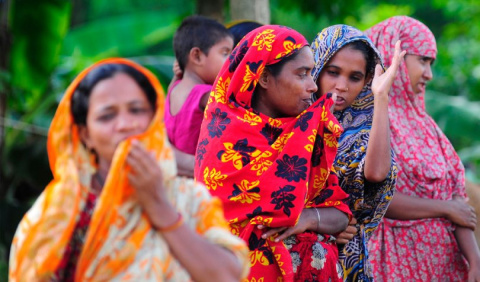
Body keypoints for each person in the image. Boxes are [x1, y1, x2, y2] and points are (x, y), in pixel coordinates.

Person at [8, 58, 249, 281]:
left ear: (153, 118)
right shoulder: (58, 210)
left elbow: (228, 275)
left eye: (136, 110)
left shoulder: (189, 199)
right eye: (107, 116)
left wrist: (159, 207)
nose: (125, 125)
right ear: (85, 134)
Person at [194, 25, 352, 281]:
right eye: (302, 74)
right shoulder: (223, 139)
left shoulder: (308, 133)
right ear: (265, 77)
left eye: (312, 74)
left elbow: (341, 214)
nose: (313, 86)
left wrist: (308, 218)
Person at [365, 15, 480, 281]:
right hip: (394, 265)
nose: (428, 73)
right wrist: (444, 209)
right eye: (422, 60)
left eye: (431, 63)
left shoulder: (426, 125)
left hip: (444, 267)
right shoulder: (372, 120)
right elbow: (377, 198)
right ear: (393, 55)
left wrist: (474, 259)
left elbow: (457, 201)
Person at [310, 24, 405, 281]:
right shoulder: (290, 119)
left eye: (354, 77)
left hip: (345, 262)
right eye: (333, 72)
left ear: (365, 81)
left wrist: (381, 96)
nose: (341, 85)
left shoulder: (364, 128)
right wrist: (324, 223)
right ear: (316, 67)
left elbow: (375, 173)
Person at [165, 15, 234, 177]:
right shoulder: (206, 94)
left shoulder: (174, 88)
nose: (231, 62)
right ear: (196, 56)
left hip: (178, 180)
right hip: (201, 181)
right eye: (225, 54)